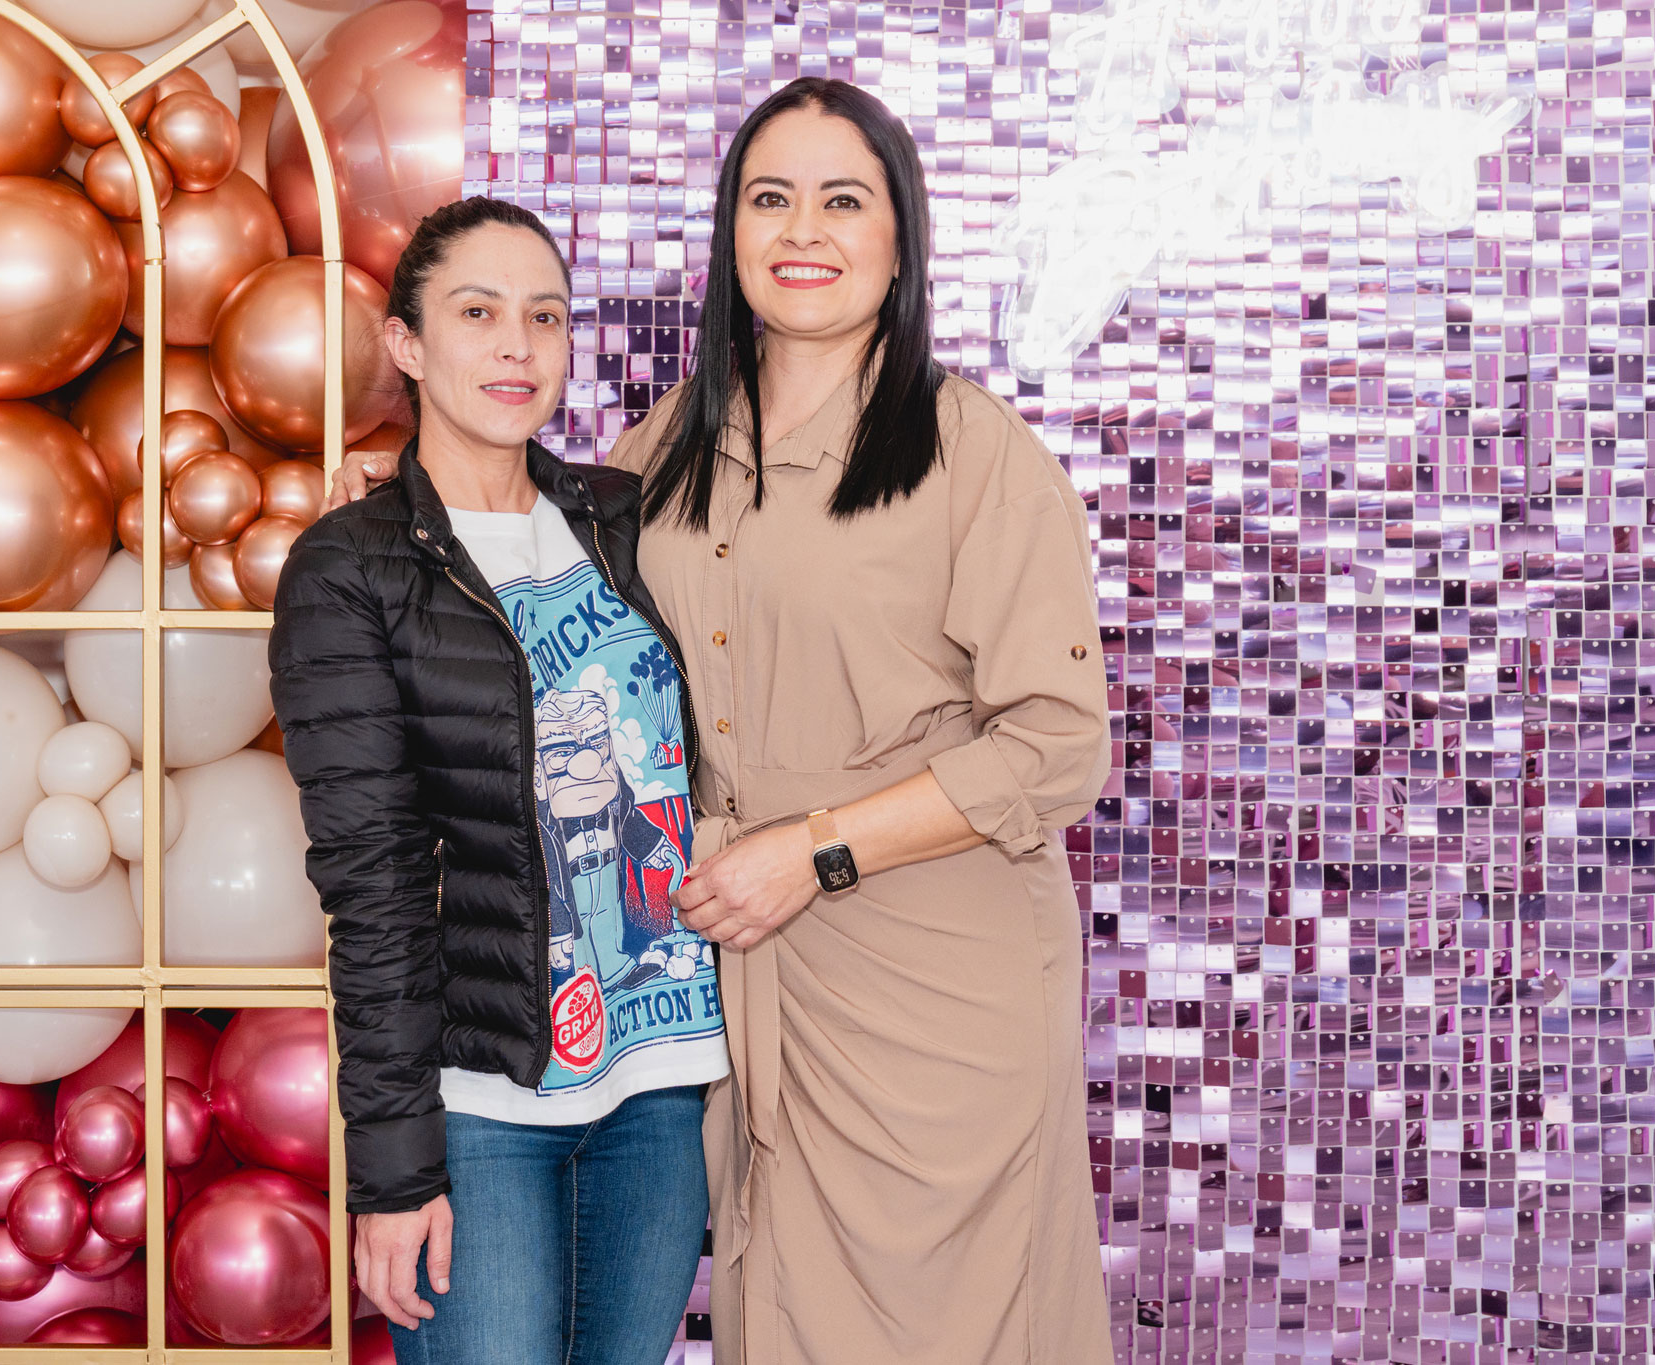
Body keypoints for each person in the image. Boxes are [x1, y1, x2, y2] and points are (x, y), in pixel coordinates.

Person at [327, 77, 1115, 1365]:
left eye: (841, 201)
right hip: (728, 987)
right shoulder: (670, 446)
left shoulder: (972, 453)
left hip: (930, 980)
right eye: (769, 198)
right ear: (730, 232)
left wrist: (813, 848)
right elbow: (538, 574)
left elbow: (1055, 744)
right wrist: (409, 501)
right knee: (776, 1317)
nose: (802, 230)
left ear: (901, 239)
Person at [269, 196, 726, 1365]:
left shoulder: (622, 520)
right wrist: (393, 1171)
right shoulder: (349, 569)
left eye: (544, 316)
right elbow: (370, 884)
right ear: (407, 344)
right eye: (476, 314)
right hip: (481, 1108)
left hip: (662, 1077)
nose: (517, 346)